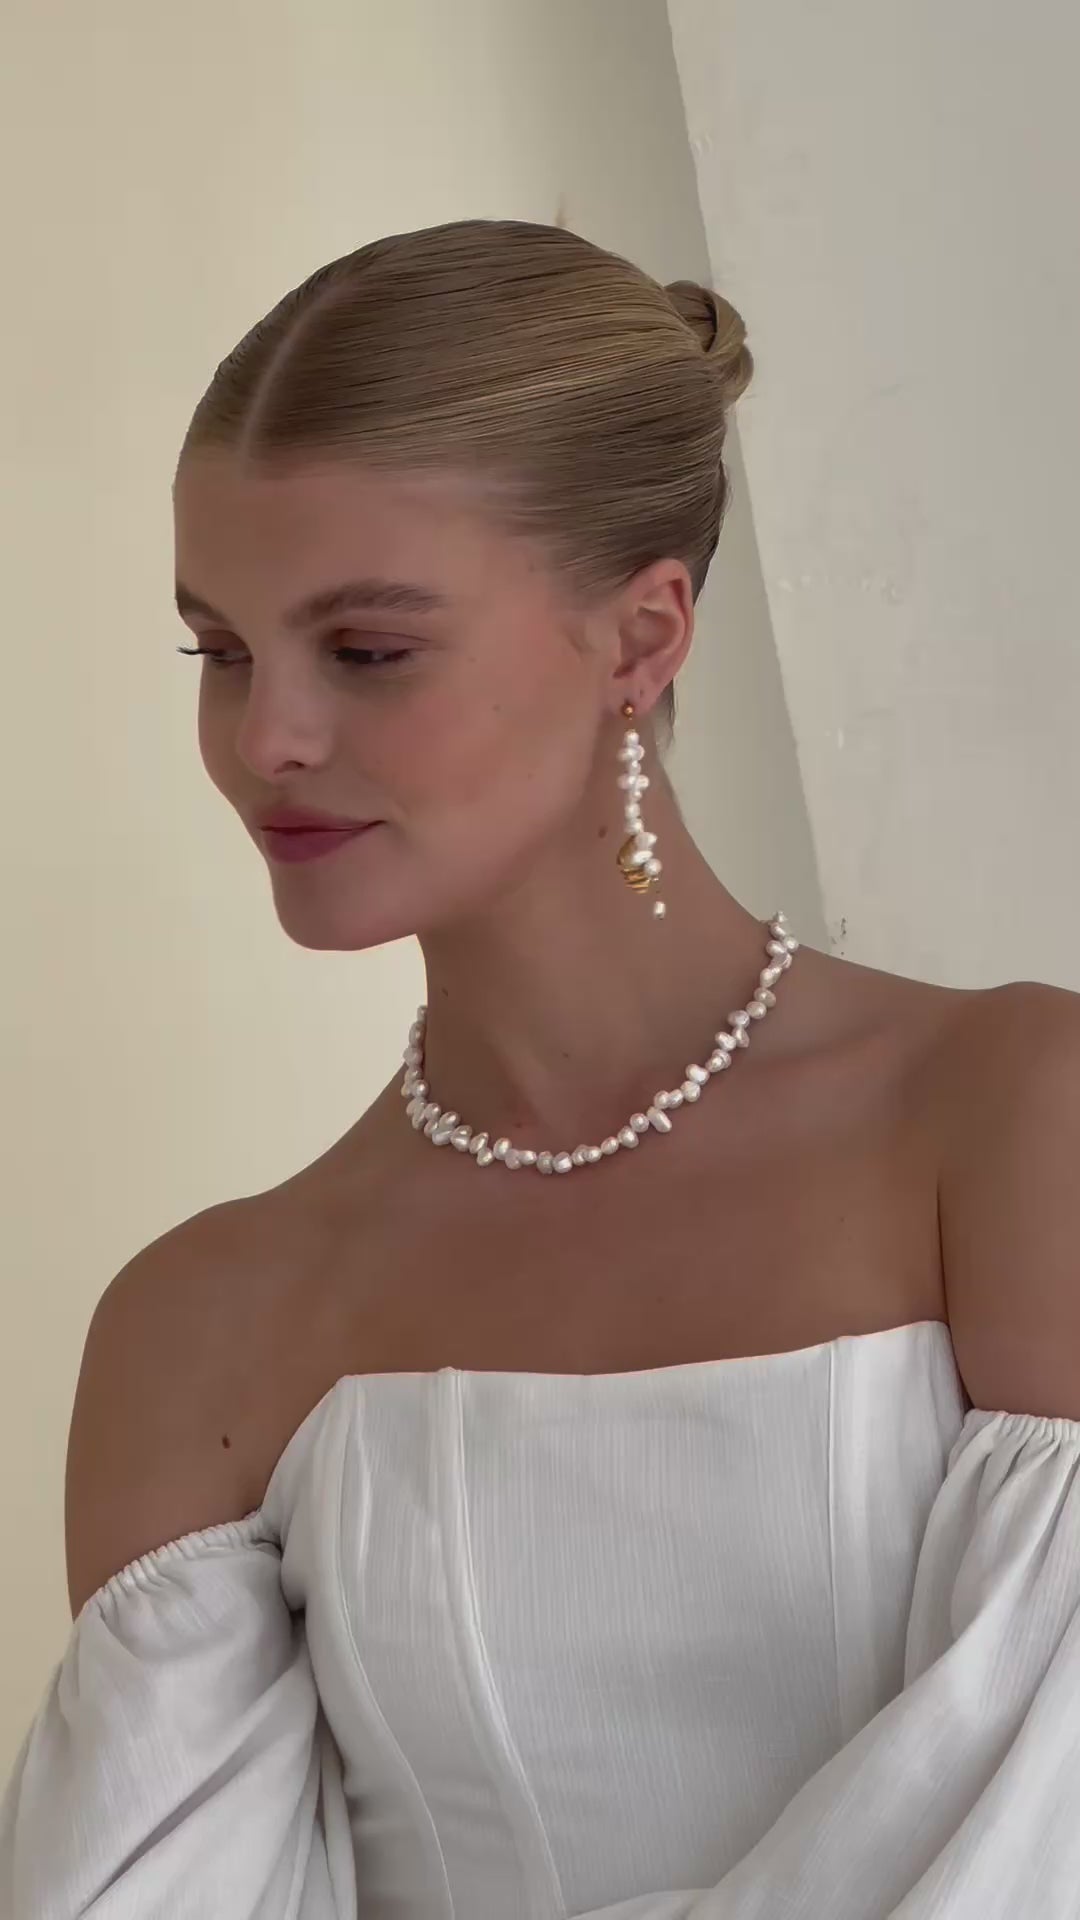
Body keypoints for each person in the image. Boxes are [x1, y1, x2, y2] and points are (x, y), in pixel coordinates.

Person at [3, 217, 1080, 1919]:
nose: (267, 736)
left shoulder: (1011, 1125)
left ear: (643, 636)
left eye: (368, 650)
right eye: (220, 650)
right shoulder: (198, 1328)